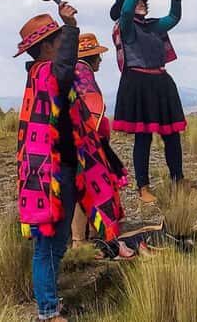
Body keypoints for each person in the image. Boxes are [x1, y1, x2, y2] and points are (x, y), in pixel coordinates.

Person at [15, 6, 125, 321]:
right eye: (58, 38)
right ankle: (47, 312)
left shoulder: (42, 76)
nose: (62, 41)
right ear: (47, 47)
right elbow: (65, 69)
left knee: (56, 242)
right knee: (47, 246)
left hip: (60, 168)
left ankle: (50, 302)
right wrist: (72, 26)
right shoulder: (48, 73)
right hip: (52, 173)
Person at [110, 0, 186, 203]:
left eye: (144, 0)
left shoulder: (154, 26)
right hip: (138, 84)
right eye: (138, 0)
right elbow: (124, 12)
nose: (142, 2)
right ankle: (143, 187)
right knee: (143, 138)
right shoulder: (126, 27)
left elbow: (174, 17)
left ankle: (178, 179)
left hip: (161, 83)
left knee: (172, 136)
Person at [70, 33, 129, 248]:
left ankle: (92, 233)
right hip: (87, 143)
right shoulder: (82, 73)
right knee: (87, 188)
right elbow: (89, 108)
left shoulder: (77, 72)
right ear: (91, 58)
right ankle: (80, 240)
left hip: (87, 140)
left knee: (87, 188)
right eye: (97, 56)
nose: (101, 60)